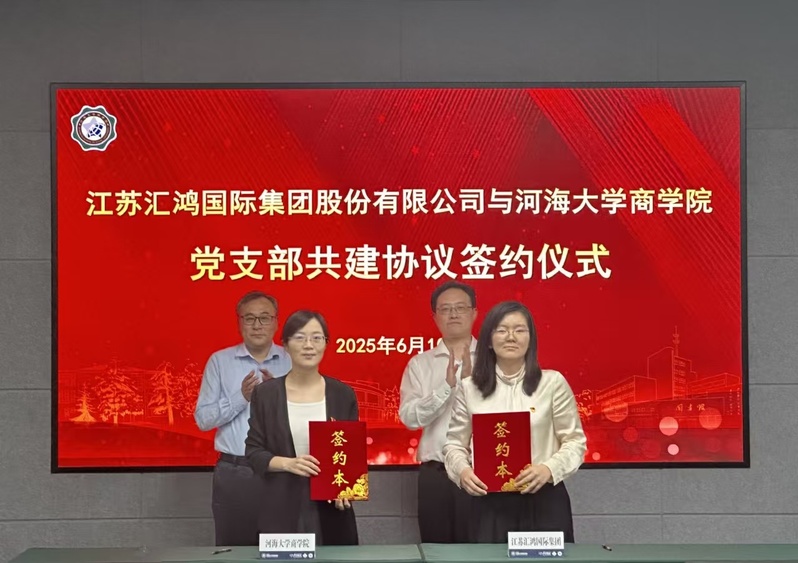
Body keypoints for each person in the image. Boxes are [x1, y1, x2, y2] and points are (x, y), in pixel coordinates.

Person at [443, 300, 587, 543]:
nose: (511, 337)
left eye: (519, 330)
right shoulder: (469, 388)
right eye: (502, 330)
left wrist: (548, 469)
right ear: (489, 340)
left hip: (543, 500)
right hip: (489, 504)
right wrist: (462, 472)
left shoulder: (552, 383)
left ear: (530, 339)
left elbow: (575, 442)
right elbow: (454, 445)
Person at [245, 310, 359, 545]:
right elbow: (254, 453)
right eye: (300, 337)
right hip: (281, 507)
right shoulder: (266, 394)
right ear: (285, 345)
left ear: (326, 344)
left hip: (331, 511)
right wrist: (289, 463)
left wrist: (346, 489)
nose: (309, 345)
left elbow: (350, 455)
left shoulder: (342, 394)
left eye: (317, 338)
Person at [194, 291, 292, 547]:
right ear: (239, 323)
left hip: (283, 472)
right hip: (235, 473)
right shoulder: (220, 361)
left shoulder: (293, 361)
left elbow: (309, 418)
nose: (257, 325)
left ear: (276, 322)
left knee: (284, 552)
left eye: (264, 318)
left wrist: (278, 399)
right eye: (250, 318)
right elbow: (203, 419)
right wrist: (241, 397)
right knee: (234, 550)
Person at [398, 281, 477, 543]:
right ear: (435, 317)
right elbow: (409, 418)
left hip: (482, 472)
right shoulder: (420, 364)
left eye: (460, 308)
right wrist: (446, 388)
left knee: (483, 551)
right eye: (445, 309)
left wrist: (471, 387)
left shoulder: (494, 359)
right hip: (437, 475)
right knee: (436, 550)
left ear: (474, 313)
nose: (453, 314)